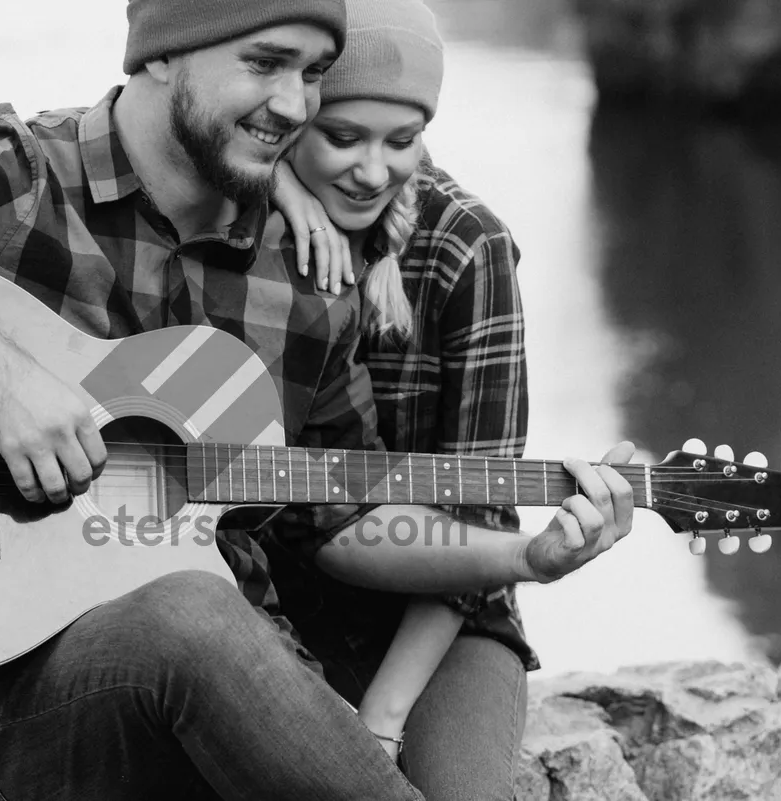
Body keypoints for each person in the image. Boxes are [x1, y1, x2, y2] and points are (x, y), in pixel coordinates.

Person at [0, 0, 634, 798]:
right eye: (266, 63)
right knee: (187, 612)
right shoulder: (22, 185)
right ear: (163, 49)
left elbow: (338, 519)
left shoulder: (307, 274)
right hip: (8, 719)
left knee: (209, 613)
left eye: (313, 73)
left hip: (231, 717)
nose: (293, 104)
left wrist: (527, 554)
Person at [264, 1, 598, 797]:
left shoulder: (465, 248)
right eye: (342, 137)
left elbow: (481, 514)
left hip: (441, 613)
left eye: (401, 140)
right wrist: (277, 185)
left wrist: (381, 715)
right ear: (297, 114)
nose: (372, 171)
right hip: (274, 596)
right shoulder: (246, 214)